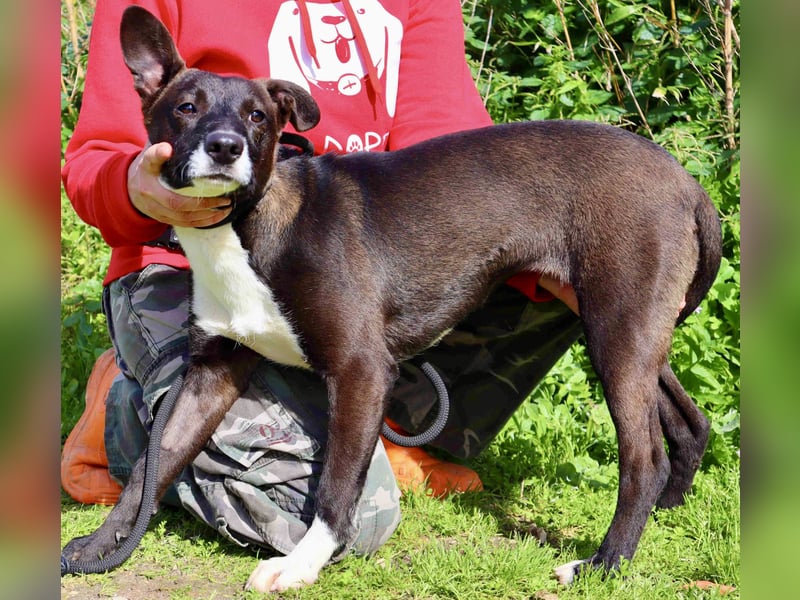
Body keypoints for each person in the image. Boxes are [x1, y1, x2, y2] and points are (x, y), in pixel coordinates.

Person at [61, 0, 582, 560]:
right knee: (344, 518)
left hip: (343, 267)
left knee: (562, 235)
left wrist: (573, 262)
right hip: (187, 268)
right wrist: (137, 187)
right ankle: (131, 418)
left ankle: (375, 427)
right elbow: (94, 158)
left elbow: (454, 151)